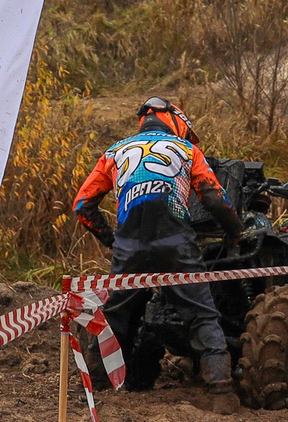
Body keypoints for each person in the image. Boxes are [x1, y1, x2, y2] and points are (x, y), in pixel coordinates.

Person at [72, 97, 246, 389]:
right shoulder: (188, 149)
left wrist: (111, 239)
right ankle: (221, 390)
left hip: (130, 245)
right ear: (175, 122)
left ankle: (98, 387)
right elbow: (214, 198)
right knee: (201, 313)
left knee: (116, 315)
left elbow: (82, 206)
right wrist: (236, 232)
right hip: (175, 241)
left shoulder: (114, 151)